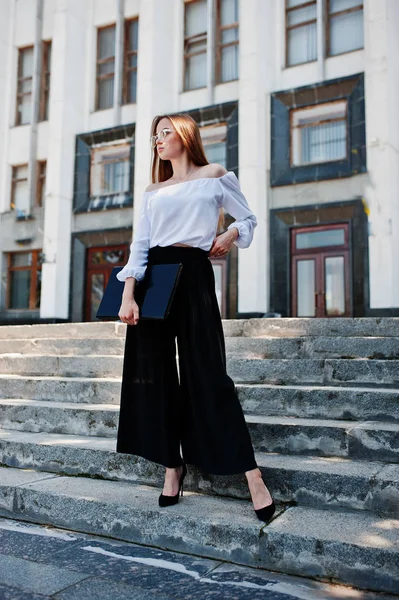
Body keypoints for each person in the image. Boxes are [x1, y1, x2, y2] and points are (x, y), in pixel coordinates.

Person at [116, 112, 275, 523]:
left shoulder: (215, 175)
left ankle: (252, 474)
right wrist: (128, 294)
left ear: (185, 135)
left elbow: (249, 218)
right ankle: (173, 465)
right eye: (155, 136)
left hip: (195, 273)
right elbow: (141, 245)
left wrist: (228, 235)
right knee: (155, 375)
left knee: (208, 372)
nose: (159, 140)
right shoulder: (153, 189)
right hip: (155, 278)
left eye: (166, 132)